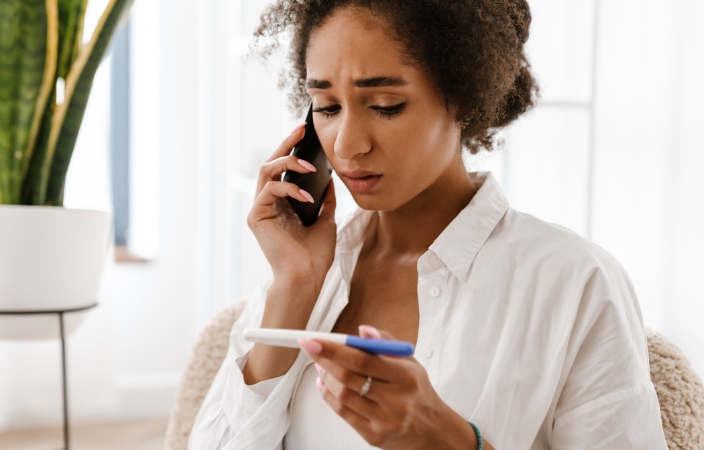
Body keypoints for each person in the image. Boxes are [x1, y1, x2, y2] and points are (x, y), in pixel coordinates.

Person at [189, 0, 668, 448]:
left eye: (384, 106)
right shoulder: (304, 271)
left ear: (464, 98)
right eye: (328, 108)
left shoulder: (576, 282)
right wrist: (295, 284)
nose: (348, 143)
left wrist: (451, 439)